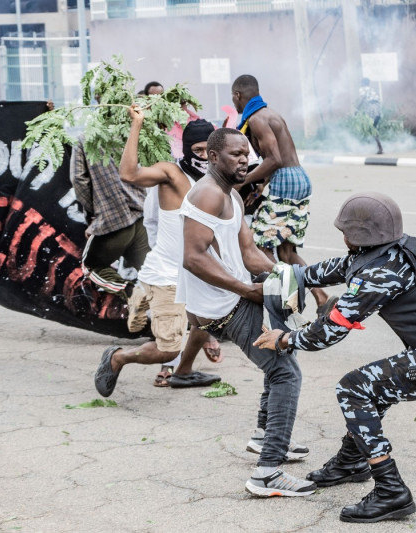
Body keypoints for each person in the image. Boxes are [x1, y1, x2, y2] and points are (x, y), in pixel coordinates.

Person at [255, 192, 416, 523]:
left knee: (355, 389)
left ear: (357, 235)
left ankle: (391, 490)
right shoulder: (394, 248)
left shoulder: (380, 275)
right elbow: (343, 267)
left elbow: (328, 333)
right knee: (375, 388)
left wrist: (284, 339)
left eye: (345, 230)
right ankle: (352, 461)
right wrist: (297, 275)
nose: (342, 236)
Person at [179, 127, 312, 496]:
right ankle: (268, 472)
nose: (245, 160)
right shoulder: (207, 193)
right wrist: (247, 290)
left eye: (247, 154)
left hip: (232, 298)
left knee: (281, 354)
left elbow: (250, 252)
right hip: (222, 306)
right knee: (286, 373)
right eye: (236, 154)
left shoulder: (230, 195)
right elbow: (193, 257)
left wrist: (287, 274)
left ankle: (262, 436)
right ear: (213, 156)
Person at [93, 106, 222, 395]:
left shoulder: (215, 181)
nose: (204, 157)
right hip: (168, 278)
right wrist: (136, 124)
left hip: (193, 274)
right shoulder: (172, 174)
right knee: (166, 351)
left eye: (209, 151)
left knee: (209, 315)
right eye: (198, 150)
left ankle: (183, 370)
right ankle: (117, 357)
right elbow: (128, 173)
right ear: (187, 149)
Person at [230, 74, 334, 315]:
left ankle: (288, 298)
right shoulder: (271, 113)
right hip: (298, 177)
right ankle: (321, 297)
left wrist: (242, 182)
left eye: (233, 99)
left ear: (238, 96)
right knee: (286, 253)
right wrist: (259, 187)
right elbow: (279, 157)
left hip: (285, 179)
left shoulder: (256, 119)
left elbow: (274, 159)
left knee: (260, 244)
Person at [71, 134, 149, 299]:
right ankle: (184, 314)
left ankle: (132, 293)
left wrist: (96, 213)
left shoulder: (85, 140)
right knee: (153, 273)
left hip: (112, 220)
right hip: (142, 216)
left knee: (91, 266)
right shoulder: (133, 134)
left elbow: (78, 180)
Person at [356, 77, 383, 155]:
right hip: (378, 108)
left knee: (370, 127)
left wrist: (357, 109)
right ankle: (379, 147)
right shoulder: (372, 89)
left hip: (371, 108)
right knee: (373, 127)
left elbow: (362, 98)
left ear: (363, 83)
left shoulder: (362, 89)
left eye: (361, 83)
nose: (360, 84)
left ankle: (378, 147)